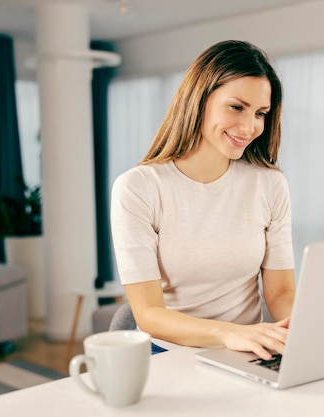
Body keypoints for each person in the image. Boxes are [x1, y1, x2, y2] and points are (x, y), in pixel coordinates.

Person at [110, 40, 295, 360]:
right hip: (168, 354)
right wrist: (231, 334)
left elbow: (280, 291)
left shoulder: (270, 185)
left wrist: (302, 327)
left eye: (260, 113)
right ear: (199, 99)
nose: (250, 126)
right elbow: (149, 314)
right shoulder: (138, 188)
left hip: (250, 353)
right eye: (237, 107)